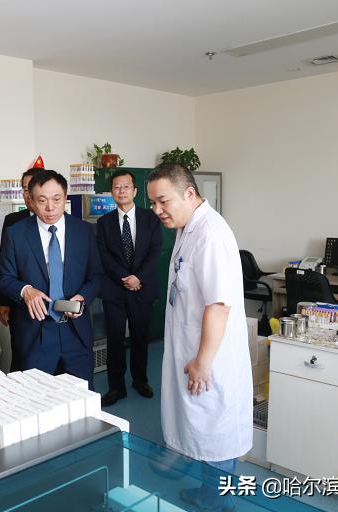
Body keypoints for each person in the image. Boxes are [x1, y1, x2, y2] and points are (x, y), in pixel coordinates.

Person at [146, 163, 252, 512]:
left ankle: (218, 504)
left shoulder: (211, 235)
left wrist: (203, 363)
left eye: (163, 201)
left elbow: (218, 305)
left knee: (215, 432)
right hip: (190, 351)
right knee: (202, 429)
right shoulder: (187, 228)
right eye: (153, 203)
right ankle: (208, 494)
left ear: (189, 193)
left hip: (209, 360)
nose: (157, 210)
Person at [0, 169, 103, 387]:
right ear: (31, 201)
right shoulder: (15, 234)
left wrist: (82, 298)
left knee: (82, 396)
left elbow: (96, 276)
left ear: (65, 197)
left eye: (57, 199)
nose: (50, 207)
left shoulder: (84, 231)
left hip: (76, 331)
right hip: (36, 333)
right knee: (37, 398)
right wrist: (25, 290)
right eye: (42, 200)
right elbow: (5, 279)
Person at [96, 169, 162, 406]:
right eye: (116, 187)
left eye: (125, 186)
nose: (121, 191)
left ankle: (140, 380)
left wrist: (138, 278)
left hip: (142, 288)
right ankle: (116, 387)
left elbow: (155, 251)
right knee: (115, 340)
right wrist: (125, 277)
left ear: (134, 191)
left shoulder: (151, 218)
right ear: (111, 192)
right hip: (114, 290)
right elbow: (104, 256)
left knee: (140, 337)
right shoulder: (104, 223)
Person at [0, 167, 39, 371]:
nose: (28, 193)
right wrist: (3, 302)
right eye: (24, 188)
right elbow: (4, 264)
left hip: (49, 303)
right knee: (20, 355)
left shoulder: (59, 219)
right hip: (18, 301)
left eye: (32, 187)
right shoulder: (13, 220)